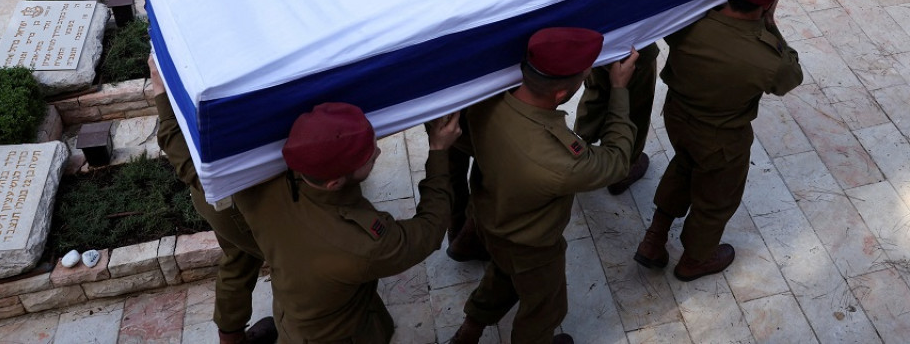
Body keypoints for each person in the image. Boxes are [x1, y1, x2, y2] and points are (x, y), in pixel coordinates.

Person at [448, 29, 639, 344]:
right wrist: (619, 89)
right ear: (562, 94)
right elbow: (618, 160)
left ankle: (470, 329)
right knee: (544, 308)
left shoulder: (485, 104)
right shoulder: (561, 160)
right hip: (532, 247)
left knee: (503, 275)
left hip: (489, 223)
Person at [633, 0, 802, 281]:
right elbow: (790, 79)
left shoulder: (690, 19)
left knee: (684, 165)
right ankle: (695, 260)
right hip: (721, 138)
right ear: (770, 1)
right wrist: (772, 28)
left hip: (677, 118)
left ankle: (654, 238)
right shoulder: (768, 58)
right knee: (716, 200)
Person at [234, 103, 461, 344]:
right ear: (334, 183)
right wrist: (439, 150)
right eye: (368, 156)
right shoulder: (362, 244)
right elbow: (429, 230)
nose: (377, 153)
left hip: (292, 315)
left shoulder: (256, 189)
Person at [150, 60, 275, 344]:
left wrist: (160, 91)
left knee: (239, 258)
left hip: (217, 205)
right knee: (289, 266)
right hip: (239, 205)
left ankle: (230, 337)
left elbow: (172, 136)